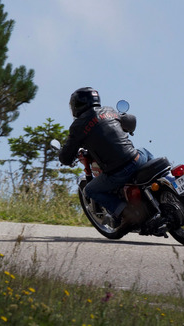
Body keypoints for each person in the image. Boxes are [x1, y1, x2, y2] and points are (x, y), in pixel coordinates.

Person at [58, 87, 163, 232]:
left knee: (90, 190)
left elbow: (66, 157)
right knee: (145, 152)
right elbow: (131, 121)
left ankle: (127, 214)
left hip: (118, 171)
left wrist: (63, 154)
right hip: (136, 158)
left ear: (76, 105)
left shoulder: (77, 126)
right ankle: (163, 183)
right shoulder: (109, 111)